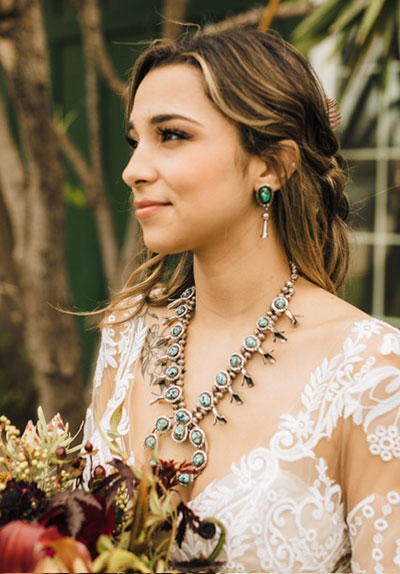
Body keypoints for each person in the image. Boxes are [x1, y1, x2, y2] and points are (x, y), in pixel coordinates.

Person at [83, 29, 400, 573]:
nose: (132, 169)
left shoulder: (370, 373)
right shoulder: (127, 334)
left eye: (172, 135)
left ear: (271, 165)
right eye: (136, 139)